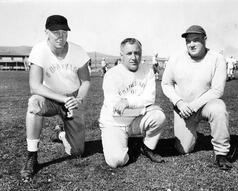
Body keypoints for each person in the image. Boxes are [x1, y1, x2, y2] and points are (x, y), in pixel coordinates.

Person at [20, 15, 91, 181]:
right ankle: (32, 155)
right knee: (34, 104)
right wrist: (61, 98)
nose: (60, 36)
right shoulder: (39, 50)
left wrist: (78, 99)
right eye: (55, 32)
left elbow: (86, 81)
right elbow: (35, 86)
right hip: (50, 97)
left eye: (64, 32)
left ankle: (60, 133)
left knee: (77, 152)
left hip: (72, 99)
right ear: (47, 33)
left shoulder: (78, 51)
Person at [161, 25, 232, 170]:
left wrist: (194, 106)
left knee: (219, 108)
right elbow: (166, 84)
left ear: (205, 40)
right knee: (184, 150)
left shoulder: (217, 58)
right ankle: (191, 134)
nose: (191, 44)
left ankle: (221, 153)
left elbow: (217, 90)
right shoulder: (176, 58)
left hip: (205, 106)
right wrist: (179, 103)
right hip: (183, 109)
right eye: (188, 41)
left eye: (196, 40)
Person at [99, 38, 166, 168]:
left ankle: (147, 147)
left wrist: (128, 101)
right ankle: (118, 142)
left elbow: (149, 98)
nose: (134, 57)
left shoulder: (148, 71)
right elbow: (117, 110)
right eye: (129, 53)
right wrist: (144, 109)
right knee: (116, 161)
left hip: (135, 121)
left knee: (159, 116)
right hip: (114, 122)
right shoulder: (111, 75)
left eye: (137, 53)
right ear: (121, 56)